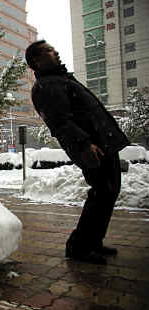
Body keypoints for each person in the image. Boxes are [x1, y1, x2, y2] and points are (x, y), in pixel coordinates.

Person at [25, 40, 130, 265]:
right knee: (102, 192)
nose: (56, 51)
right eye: (48, 51)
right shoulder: (47, 86)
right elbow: (60, 122)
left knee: (108, 192)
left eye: (53, 48)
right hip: (91, 146)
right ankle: (79, 247)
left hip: (101, 142)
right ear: (36, 60)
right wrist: (84, 145)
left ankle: (93, 242)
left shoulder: (61, 79)